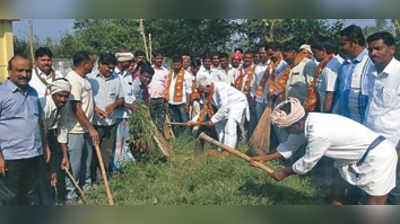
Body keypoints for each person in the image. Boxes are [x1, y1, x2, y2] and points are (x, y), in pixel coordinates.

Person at [250, 97, 398, 205]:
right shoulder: (307, 121)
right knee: (338, 188)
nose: (288, 132)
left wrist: (284, 172)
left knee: (374, 203)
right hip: (354, 159)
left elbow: (307, 163)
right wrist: (265, 158)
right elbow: (290, 145)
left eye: (287, 129)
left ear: (296, 125)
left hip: (379, 156)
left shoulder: (318, 133)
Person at [0, 55, 50, 205]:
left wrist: (45, 145)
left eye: (28, 71)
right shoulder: (2, 94)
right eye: (19, 70)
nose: (24, 75)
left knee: (32, 194)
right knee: (11, 197)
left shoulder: (33, 93)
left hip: (34, 154)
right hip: (11, 157)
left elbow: (39, 121)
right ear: (9, 71)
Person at [364, 31, 400, 204]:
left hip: (393, 142)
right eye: (370, 50)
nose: (373, 54)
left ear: (392, 49)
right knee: (373, 184)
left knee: (393, 188)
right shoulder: (371, 70)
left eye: (378, 49)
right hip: (371, 138)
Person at [58, 51, 98, 203]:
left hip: (86, 129)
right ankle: (71, 195)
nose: (93, 65)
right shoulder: (73, 80)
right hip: (75, 130)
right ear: (84, 63)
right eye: (92, 63)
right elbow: (76, 108)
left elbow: (86, 103)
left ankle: (86, 188)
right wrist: (91, 127)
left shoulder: (84, 80)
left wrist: (96, 111)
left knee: (86, 162)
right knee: (74, 164)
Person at [88, 53, 124, 184]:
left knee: (107, 153)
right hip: (94, 124)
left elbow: (121, 98)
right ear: (100, 65)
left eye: (113, 68)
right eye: (108, 67)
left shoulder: (116, 78)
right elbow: (85, 101)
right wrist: (96, 109)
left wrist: (114, 105)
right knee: (92, 154)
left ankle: (104, 179)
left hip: (111, 123)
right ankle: (92, 179)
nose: (111, 70)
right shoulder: (90, 79)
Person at [35, 78, 71, 205]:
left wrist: (65, 156)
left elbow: (63, 129)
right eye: (60, 96)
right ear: (53, 93)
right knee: (43, 170)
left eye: (66, 96)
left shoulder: (64, 106)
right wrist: (46, 148)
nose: (62, 99)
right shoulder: (44, 105)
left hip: (51, 134)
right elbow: (40, 129)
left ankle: (54, 199)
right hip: (36, 137)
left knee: (55, 167)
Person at [188, 75, 249, 149]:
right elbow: (204, 110)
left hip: (237, 103)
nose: (201, 92)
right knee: (219, 125)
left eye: (202, 90)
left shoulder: (220, 88)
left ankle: (229, 150)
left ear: (208, 86)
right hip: (226, 107)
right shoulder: (206, 93)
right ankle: (221, 147)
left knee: (230, 123)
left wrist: (212, 121)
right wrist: (193, 121)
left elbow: (224, 107)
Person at [272, 43, 317, 144]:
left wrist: (308, 107)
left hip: (303, 108)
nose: (284, 59)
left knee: (303, 136)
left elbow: (312, 88)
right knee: (292, 136)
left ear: (293, 53)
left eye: (286, 56)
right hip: (291, 107)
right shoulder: (291, 67)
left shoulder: (308, 65)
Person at [334, 25, 373, 123]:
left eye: (343, 44)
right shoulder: (344, 65)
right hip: (345, 122)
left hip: (363, 124)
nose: (340, 48)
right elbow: (340, 94)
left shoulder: (371, 63)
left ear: (355, 43)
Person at [307, 39, 343, 112]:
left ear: (323, 51)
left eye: (315, 52)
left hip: (330, 112)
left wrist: (325, 115)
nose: (313, 55)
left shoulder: (330, 67)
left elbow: (330, 93)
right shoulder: (325, 65)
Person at [164, 56, 192, 137]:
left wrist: (187, 104)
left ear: (181, 63)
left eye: (178, 62)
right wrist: (166, 101)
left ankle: (188, 139)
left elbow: (188, 91)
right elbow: (167, 87)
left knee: (185, 122)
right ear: (172, 64)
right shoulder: (170, 74)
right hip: (171, 103)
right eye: (175, 62)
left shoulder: (186, 75)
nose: (176, 64)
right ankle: (178, 139)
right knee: (174, 122)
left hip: (182, 103)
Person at [234, 51, 257, 140]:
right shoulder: (238, 70)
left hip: (251, 97)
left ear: (252, 59)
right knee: (240, 118)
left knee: (251, 118)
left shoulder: (255, 69)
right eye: (245, 58)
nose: (247, 59)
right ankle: (242, 137)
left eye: (249, 58)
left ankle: (250, 138)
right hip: (239, 97)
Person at [148, 51, 169, 133]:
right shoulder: (150, 69)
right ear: (154, 59)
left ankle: (160, 134)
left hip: (161, 98)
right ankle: (153, 135)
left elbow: (167, 85)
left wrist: (166, 99)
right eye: (158, 58)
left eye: (161, 59)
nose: (159, 60)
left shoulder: (165, 71)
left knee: (161, 118)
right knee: (151, 118)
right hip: (151, 98)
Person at [252, 43, 272, 121]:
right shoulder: (256, 67)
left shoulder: (272, 65)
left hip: (270, 99)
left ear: (267, 53)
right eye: (260, 53)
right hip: (259, 99)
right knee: (259, 121)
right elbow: (254, 84)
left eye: (263, 53)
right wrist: (253, 97)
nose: (261, 55)